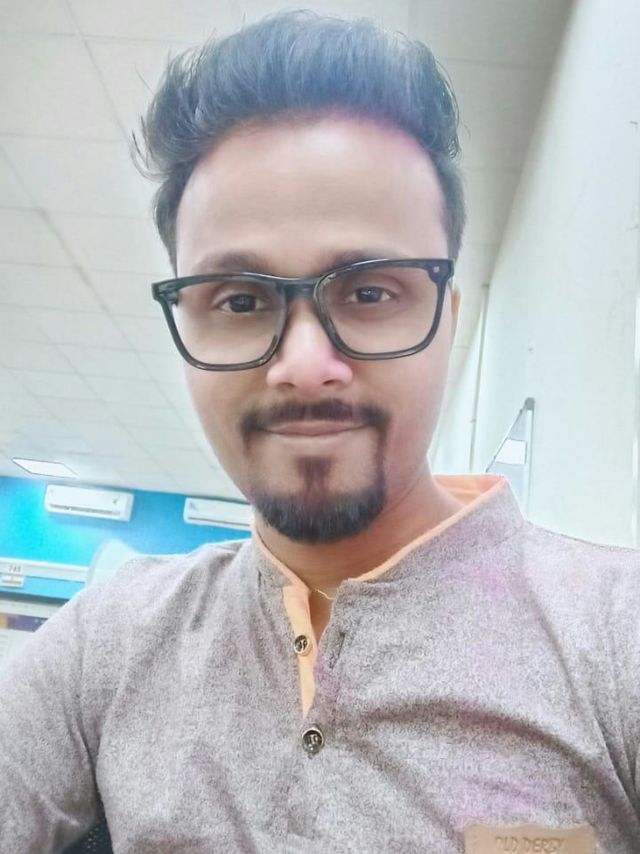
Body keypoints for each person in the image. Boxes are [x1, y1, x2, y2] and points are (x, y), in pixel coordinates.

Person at [1, 10, 639, 853]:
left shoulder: (615, 636)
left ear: (447, 322)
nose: (304, 365)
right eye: (240, 300)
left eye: (369, 293)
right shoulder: (110, 639)